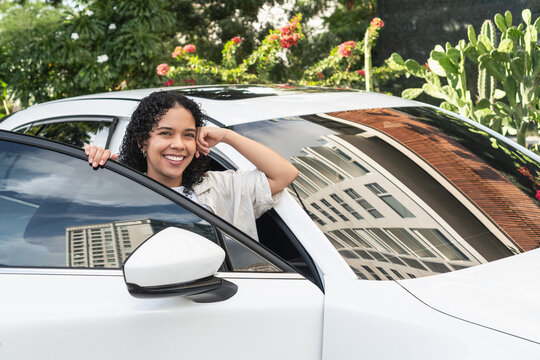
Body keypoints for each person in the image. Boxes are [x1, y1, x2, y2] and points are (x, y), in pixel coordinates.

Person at [85, 91, 298, 240]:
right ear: (142, 141)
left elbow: (284, 174)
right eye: (166, 133)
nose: (178, 145)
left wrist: (227, 135)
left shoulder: (217, 187)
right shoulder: (124, 191)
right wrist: (94, 172)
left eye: (188, 135)